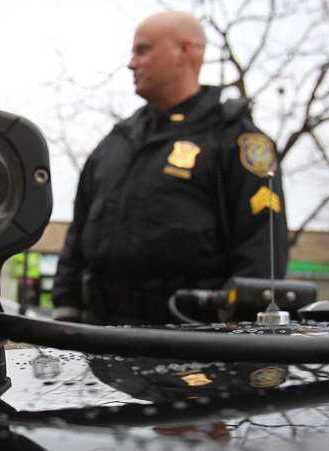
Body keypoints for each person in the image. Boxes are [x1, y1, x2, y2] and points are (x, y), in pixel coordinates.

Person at [52, 10, 289, 325]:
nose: (131, 63)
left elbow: (261, 249)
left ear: (185, 51)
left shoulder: (233, 140)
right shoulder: (117, 142)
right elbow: (78, 233)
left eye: (143, 50)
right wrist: (66, 310)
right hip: (100, 338)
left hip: (190, 342)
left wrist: (239, 337)